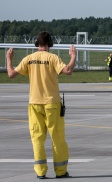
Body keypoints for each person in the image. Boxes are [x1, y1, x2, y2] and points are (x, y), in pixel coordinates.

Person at [6, 31, 76, 179]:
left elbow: (11, 74)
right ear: (49, 44)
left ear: (37, 44)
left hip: (34, 104)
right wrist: (73, 56)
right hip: (52, 103)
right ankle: (61, 171)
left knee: (37, 138)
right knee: (57, 138)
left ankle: (40, 171)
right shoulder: (52, 58)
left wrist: (8, 59)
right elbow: (68, 70)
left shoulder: (29, 59)